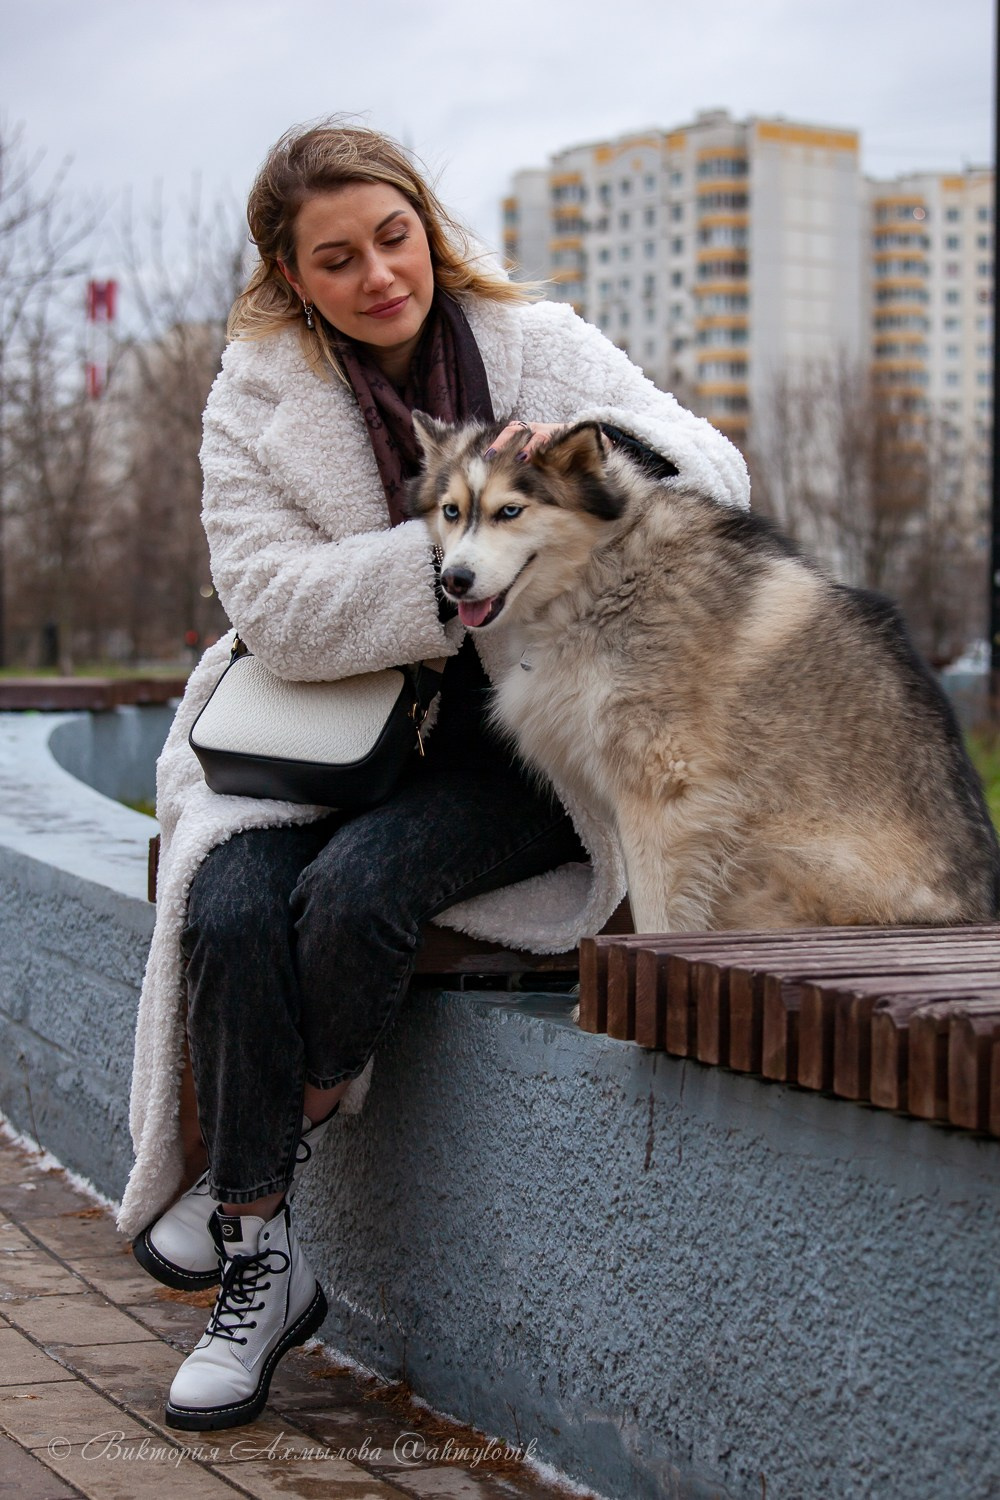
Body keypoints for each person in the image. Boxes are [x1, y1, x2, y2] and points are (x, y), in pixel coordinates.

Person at [117, 119, 750, 1432]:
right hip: (322, 739)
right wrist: (462, 543)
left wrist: (576, 467)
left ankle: (248, 1203)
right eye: (337, 258)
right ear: (295, 277)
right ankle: (268, 1268)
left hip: (516, 752)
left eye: (392, 237)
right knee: (230, 904)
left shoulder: (530, 340)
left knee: (355, 897)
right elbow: (273, 603)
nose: (379, 276)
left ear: (425, 225)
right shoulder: (258, 398)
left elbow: (712, 467)